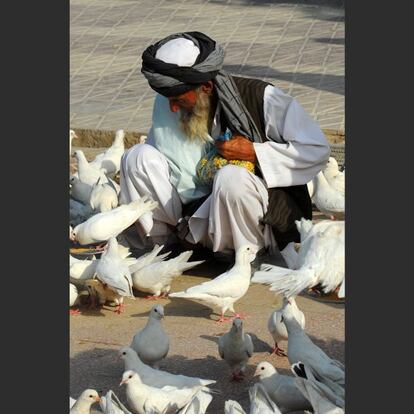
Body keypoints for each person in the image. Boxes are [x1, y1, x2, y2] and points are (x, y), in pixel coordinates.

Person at [118, 32, 330, 267]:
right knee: (136, 158)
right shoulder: (169, 105)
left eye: (178, 99)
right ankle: (166, 247)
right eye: (167, 98)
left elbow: (316, 150)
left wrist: (254, 152)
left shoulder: (263, 97)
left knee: (231, 177)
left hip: (254, 216)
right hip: (192, 215)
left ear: (206, 87)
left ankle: (244, 256)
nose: (172, 108)